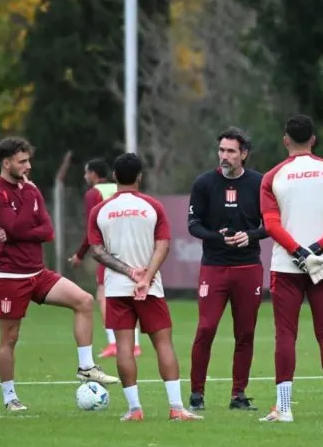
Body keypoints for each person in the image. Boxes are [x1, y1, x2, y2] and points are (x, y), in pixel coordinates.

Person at [0, 137, 118, 411]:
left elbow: (47, 230)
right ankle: (10, 398)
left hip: (37, 272)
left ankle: (86, 366)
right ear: (6, 163)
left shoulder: (30, 190)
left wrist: (20, 227)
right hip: (9, 276)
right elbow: (19, 226)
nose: (28, 166)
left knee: (84, 301)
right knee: (9, 338)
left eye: (28, 160)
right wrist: (26, 208)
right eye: (22, 161)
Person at [86, 152, 202, 421]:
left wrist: (128, 272)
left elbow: (97, 251)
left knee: (124, 347)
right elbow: (164, 244)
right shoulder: (153, 206)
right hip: (150, 288)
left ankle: (135, 410)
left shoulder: (100, 210)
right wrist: (146, 277)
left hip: (116, 289)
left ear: (114, 176)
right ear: (140, 176)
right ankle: (176, 408)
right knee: (163, 344)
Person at [258, 114, 323, 423]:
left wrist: (298, 251)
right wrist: (317, 248)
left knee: (285, 334)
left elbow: (271, 224)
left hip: (287, 265)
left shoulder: (273, 176)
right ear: (313, 139)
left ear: (285, 139)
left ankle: (284, 408)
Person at [186, 127, 267, 412]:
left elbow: (271, 224)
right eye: (222, 150)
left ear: (244, 154)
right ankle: (196, 394)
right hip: (214, 267)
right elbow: (193, 225)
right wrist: (217, 237)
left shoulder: (259, 183)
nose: (224, 156)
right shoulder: (204, 183)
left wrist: (251, 235)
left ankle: (238, 395)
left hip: (248, 268)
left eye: (231, 151)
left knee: (245, 333)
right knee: (206, 328)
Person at [69, 158, 141, 358]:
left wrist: (80, 254)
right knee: (130, 293)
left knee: (104, 294)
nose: (85, 177)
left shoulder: (94, 194)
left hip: (109, 250)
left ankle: (114, 343)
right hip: (134, 247)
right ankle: (134, 344)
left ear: (92, 174)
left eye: (86, 173)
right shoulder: (124, 188)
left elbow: (92, 228)